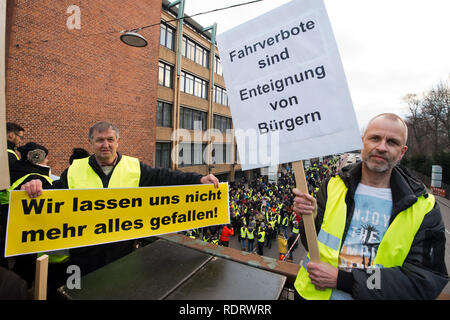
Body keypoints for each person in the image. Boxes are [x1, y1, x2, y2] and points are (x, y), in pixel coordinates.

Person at [20, 122, 219, 280]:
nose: (105, 145)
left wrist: (198, 179)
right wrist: (33, 184)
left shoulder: (134, 166)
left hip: (122, 254)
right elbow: (53, 195)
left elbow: (165, 177)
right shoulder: (74, 169)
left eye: (110, 139)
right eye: (99, 140)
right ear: (91, 142)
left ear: (117, 141)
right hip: (83, 257)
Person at [292, 113, 448, 300]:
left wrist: (344, 280)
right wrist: (310, 217)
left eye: (392, 142)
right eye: (375, 138)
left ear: (402, 152)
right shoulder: (333, 185)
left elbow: (423, 281)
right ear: (362, 142)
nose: (381, 147)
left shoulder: (424, 206)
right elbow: (312, 245)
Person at [2, 142, 54, 289]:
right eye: (46, 158)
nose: (48, 161)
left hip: (10, 232)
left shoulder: (15, 172)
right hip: (30, 238)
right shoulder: (37, 178)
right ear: (38, 158)